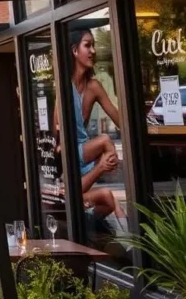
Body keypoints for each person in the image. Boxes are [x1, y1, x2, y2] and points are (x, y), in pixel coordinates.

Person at [67, 27, 126, 226]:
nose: (93, 50)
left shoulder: (93, 87)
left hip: (84, 155)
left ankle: (104, 229)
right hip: (70, 154)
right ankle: (121, 217)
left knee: (108, 197)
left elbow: (119, 119)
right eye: (88, 45)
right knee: (105, 140)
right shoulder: (64, 86)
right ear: (75, 51)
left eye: (94, 45)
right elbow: (56, 132)